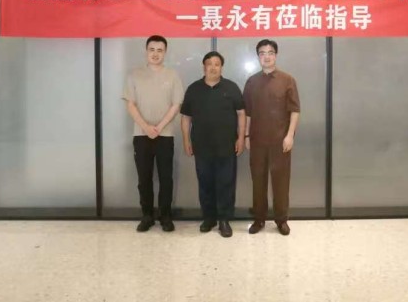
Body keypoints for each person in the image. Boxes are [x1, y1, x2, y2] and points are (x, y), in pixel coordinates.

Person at [180, 51, 246, 238]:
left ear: (221, 67)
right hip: (202, 146)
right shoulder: (194, 89)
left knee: (226, 183)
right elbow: (186, 117)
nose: (213, 67)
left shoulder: (231, 87)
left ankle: (224, 220)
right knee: (205, 183)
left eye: (217, 64)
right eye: (209, 64)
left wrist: (241, 138)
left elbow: (241, 113)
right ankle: (208, 218)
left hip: (227, 146)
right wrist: (186, 140)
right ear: (204, 67)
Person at [123, 35, 184, 232]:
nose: (155, 54)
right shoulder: (134, 75)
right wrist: (146, 127)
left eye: (160, 50)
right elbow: (130, 104)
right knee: (144, 178)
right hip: (141, 135)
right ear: (146, 51)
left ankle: (165, 216)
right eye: (152, 49)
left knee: (166, 178)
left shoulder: (172, 75)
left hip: (165, 135)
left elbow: (176, 105)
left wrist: (159, 127)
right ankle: (147, 216)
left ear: (165, 53)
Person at [243, 39, 300, 236]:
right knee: (258, 181)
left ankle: (281, 220)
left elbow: (295, 110)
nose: (266, 57)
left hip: (280, 141)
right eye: (262, 53)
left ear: (276, 55)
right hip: (257, 140)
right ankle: (259, 219)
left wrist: (290, 136)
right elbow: (248, 113)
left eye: (270, 53)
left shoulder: (287, 80)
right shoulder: (252, 82)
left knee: (281, 182)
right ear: (258, 56)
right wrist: (246, 135)